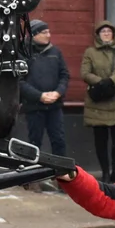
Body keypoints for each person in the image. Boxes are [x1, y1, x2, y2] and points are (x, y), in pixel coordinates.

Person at [82, 20, 115, 183]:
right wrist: (99, 82)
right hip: (98, 102)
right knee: (100, 141)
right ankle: (104, 171)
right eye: (103, 32)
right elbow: (85, 72)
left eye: (109, 32)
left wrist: (111, 81)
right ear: (98, 35)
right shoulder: (90, 52)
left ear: (113, 34)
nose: (106, 34)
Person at [20, 19, 69, 157]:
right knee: (34, 143)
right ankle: (33, 172)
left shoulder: (56, 52)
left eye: (48, 32)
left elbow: (64, 75)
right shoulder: (24, 53)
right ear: (34, 34)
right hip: (34, 106)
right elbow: (19, 81)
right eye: (44, 32)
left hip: (55, 105)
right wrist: (39, 96)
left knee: (58, 140)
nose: (48, 35)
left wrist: (58, 92)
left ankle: (61, 173)